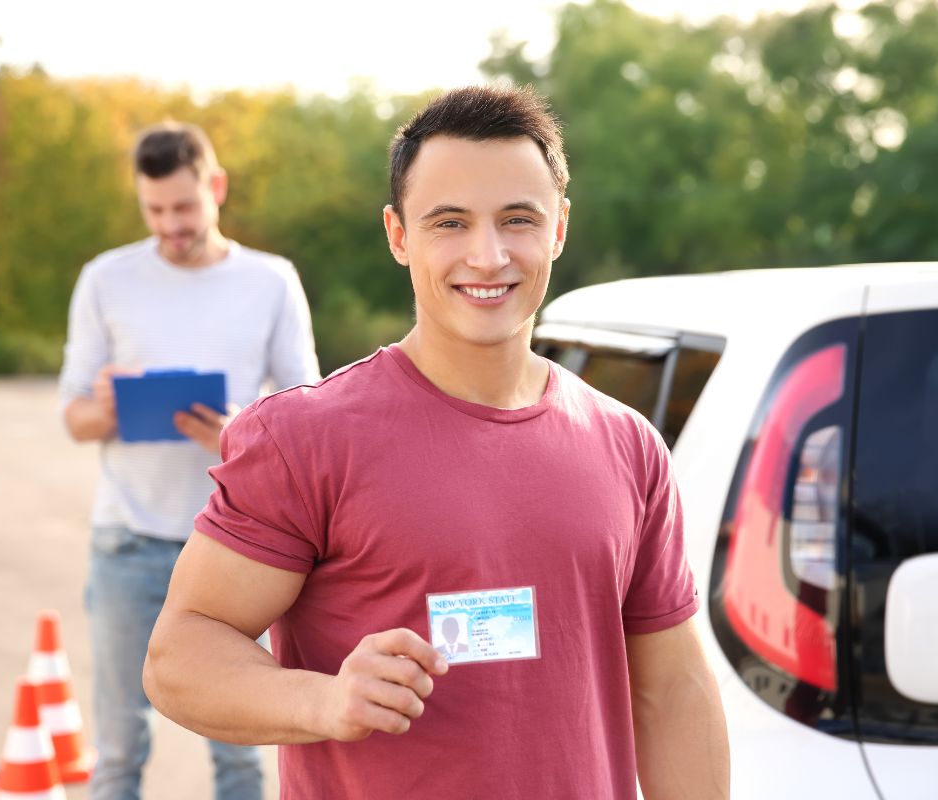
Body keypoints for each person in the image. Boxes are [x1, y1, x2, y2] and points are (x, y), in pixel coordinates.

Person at [143, 86, 729, 798]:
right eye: (449, 222)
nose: (487, 256)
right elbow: (180, 657)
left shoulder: (629, 446)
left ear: (559, 229)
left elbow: (673, 693)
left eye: (518, 220)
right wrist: (322, 701)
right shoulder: (305, 437)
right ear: (398, 235)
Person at [58, 120, 319, 800]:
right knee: (118, 750)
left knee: (239, 753)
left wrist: (241, 433)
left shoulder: (271, 281)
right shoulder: (105, 279)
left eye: (183, 207)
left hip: (240, 553)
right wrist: (109, 406)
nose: (170, 225)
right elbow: (74, 416)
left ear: (217, 188)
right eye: (155, 210)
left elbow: (309, 416)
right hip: (128, 543)